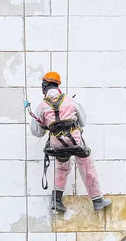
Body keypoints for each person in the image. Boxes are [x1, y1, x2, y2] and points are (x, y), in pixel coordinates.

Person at [30, 71, 111, 214]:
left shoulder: (41, 107)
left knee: (61, 167)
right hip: (76, 143)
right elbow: (83, 121)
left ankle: (57, 200)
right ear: (58, 86)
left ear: (44, 87)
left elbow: (37, 132)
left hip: (56, 145)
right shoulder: (69, 101)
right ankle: (97, 200)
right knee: (87, 167)